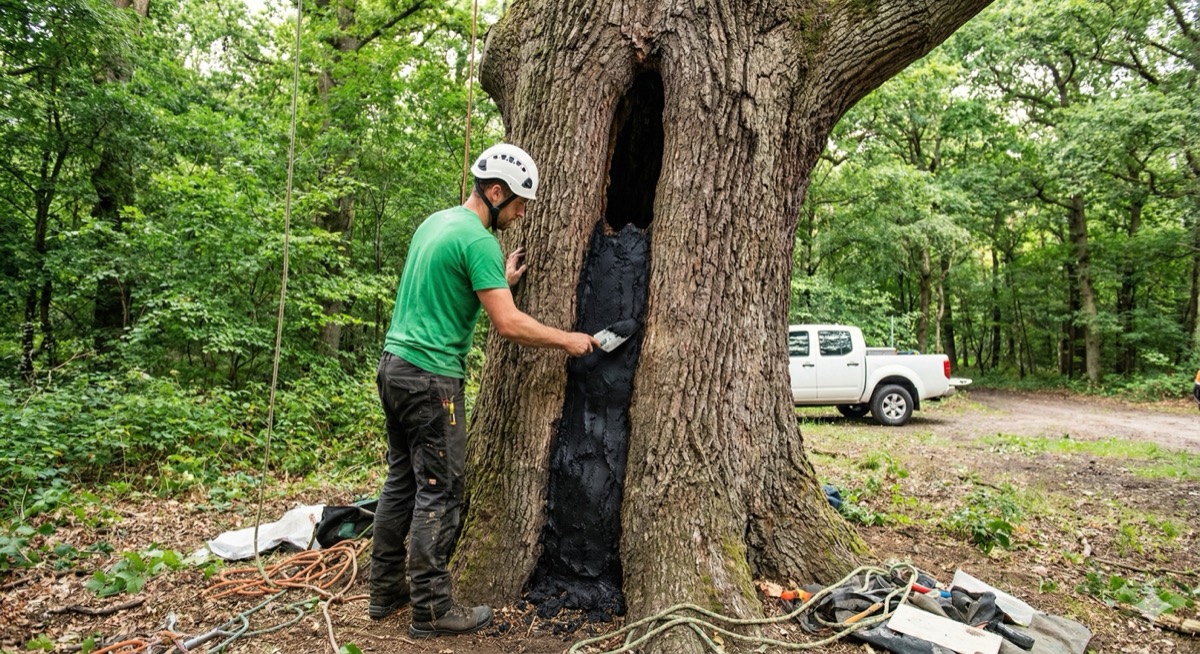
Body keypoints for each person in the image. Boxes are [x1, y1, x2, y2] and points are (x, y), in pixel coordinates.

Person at [369, 143, 599, 638]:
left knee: (402, 482)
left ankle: (384, 589)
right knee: (441, 490)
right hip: (432, 380)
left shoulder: (437, 224)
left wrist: (500, 280)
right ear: (496, 192)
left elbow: (448, 288)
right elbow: (508, 325)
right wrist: (567, 340)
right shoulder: (479, 242)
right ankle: (432, 609)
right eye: (518, 203)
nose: (521, 215)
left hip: (394, 368)